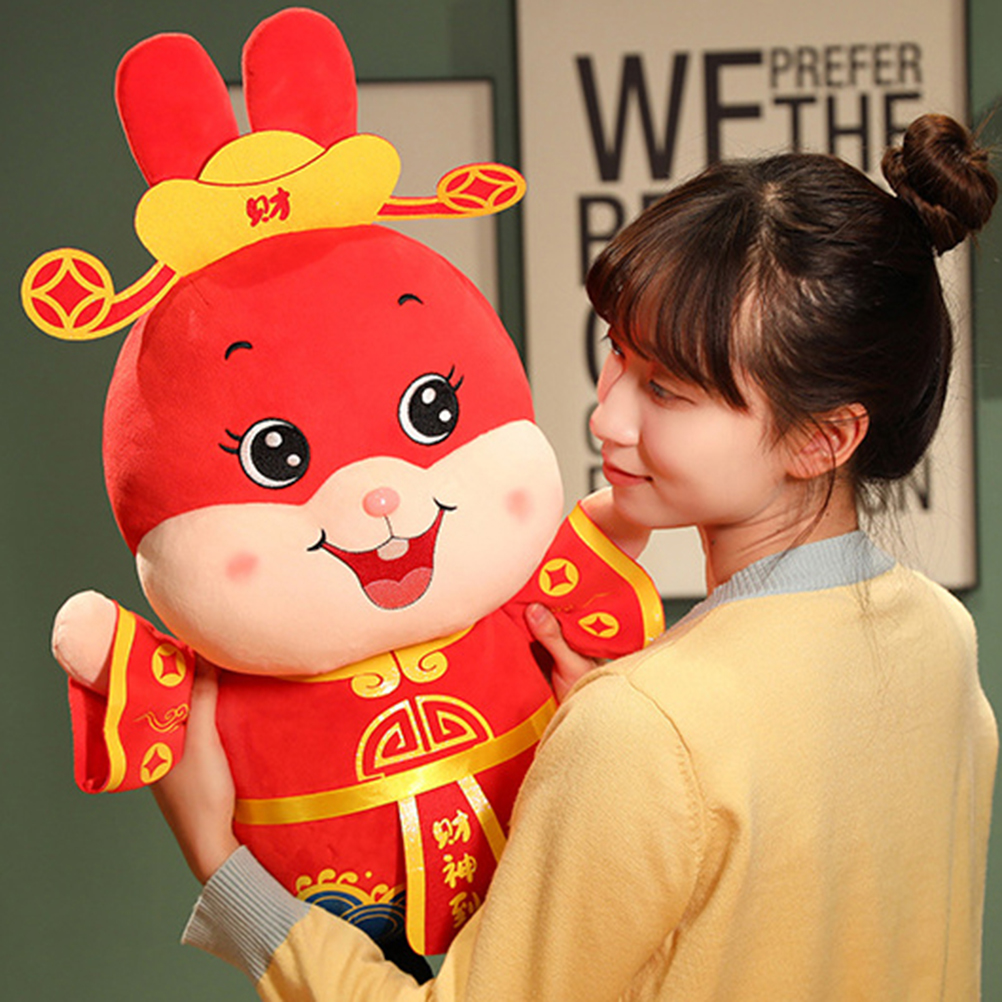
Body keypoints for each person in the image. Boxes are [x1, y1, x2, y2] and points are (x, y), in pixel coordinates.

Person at [154, 113, 999, 1000]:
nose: (609, 417)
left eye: (665, 389)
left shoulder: (642, 729)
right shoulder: (938, 635)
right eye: (617, 353)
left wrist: (223, 864)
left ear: (823, 438)